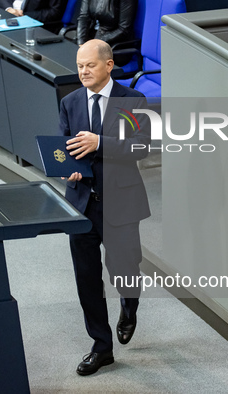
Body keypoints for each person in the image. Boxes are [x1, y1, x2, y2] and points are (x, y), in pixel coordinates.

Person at [58, 39, 151, 376]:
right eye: (80, 65)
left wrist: (101, 143)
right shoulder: (69, 102)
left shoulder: (134, 100)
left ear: (109, 65)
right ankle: (102, 347)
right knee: (87, 278)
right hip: (81, 204)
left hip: (121, 202)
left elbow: (140, 147)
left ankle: (129, 306)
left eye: (90, 65)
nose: (83, 71)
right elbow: (65, 146)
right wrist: (67, 166)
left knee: (124, 268)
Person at [0, 0, 65, 25]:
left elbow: (55, 12)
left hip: (35, 24)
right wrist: (9, 9)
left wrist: (23, 15)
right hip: (9, 15)